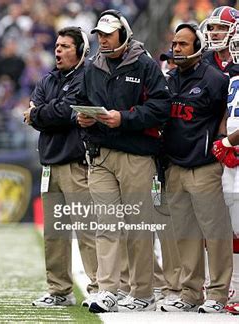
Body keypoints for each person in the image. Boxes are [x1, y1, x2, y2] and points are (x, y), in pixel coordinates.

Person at [76, 10, 171, 312]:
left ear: (124, 34)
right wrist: (84, 118)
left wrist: (126, 119)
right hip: (101, 154)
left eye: (108, 34)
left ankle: (142, 291)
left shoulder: (145, 65)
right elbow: (81, 100)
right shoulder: (92, 68)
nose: (102, 40)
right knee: (105, 223)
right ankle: (107, 290)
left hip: (137, 155)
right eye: (100, 35)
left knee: (137, 225)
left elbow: (161, 107)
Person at [160, 23, 233, 313]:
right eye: (175, 44)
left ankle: (218, 294)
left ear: (198, 47)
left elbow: (227, 113)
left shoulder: (216, 79)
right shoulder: (169, 79)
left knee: (215, 232)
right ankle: (191, 293)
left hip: (204, 166)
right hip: (175, 167)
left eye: (183, 44)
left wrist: (218, 141)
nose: (176, 49)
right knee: (185, 234)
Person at [26, 26, 98, 307]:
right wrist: (44, 113)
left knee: (87, 230)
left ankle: (98, 289)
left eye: (66, 46)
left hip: (77, 164)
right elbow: (42, 114)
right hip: (50, 164)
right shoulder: (47, 79)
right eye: (57, 45)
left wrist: (40, 113)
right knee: (54, 233)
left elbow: (66, 112)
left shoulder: (88, 76)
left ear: (81, 50)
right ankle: (59, 291)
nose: (58, 50)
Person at [214, 26, 239, 315]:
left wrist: (229, 142)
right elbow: (229, 115)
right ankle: (234, 287)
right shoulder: (233, 75)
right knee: (233, 228)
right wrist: (225, 140)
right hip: (232, 157)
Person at [202, 6, 239, 76]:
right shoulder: (203, 60)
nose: (214, 33)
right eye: (211, 28)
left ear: (235, 31)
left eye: (221, 28)